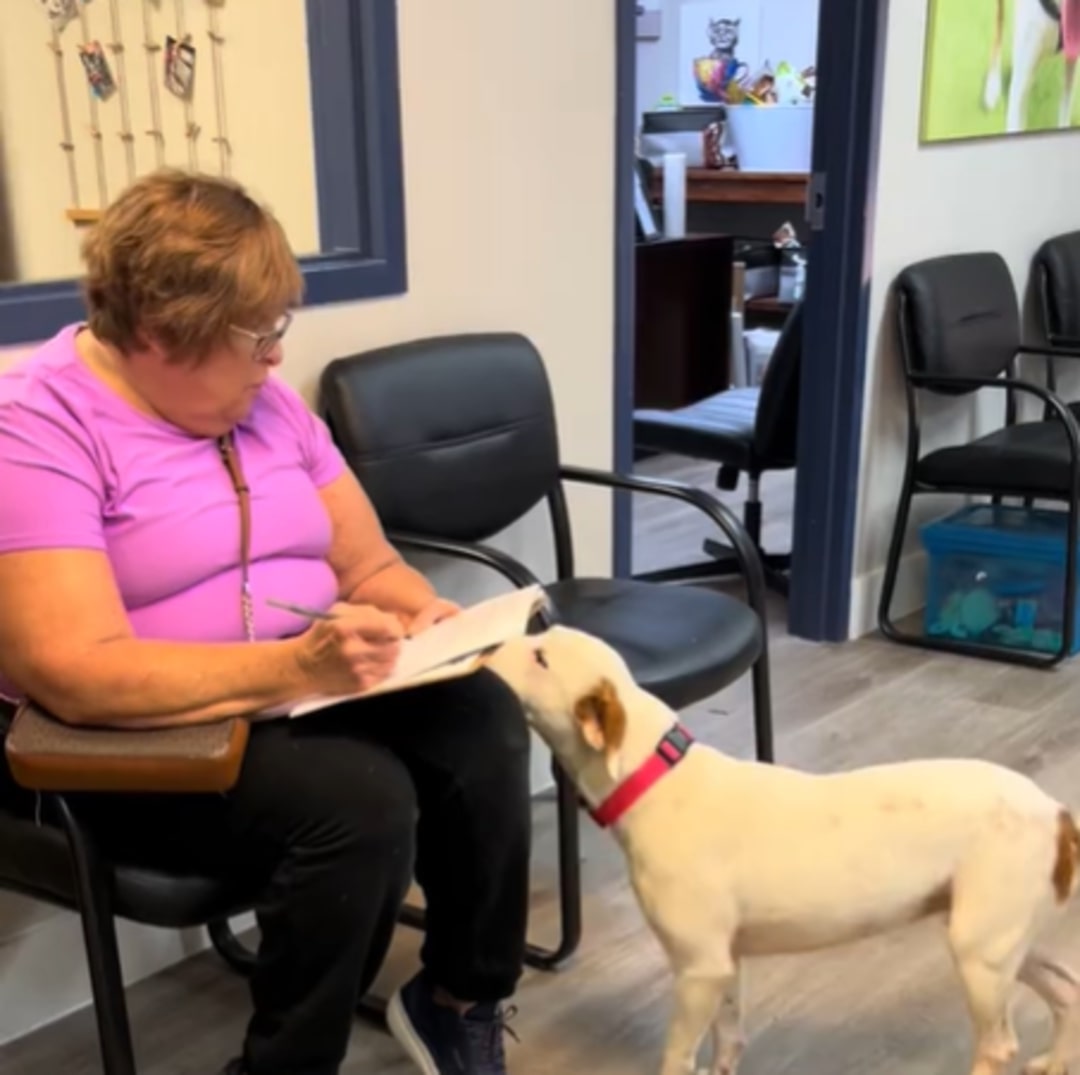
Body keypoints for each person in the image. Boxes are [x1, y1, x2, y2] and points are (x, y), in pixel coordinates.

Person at [0, 170, 532, 1075]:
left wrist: (429, 619)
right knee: (360, 801)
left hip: (287, 687)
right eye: (258, 337)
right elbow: (75, 672)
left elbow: (367, 565)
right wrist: (296, 672)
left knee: (480, 716)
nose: (278, 360)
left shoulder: (266, 406)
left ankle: (457, 998)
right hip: (114, 742)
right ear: (163, 336)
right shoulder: (35, 426)